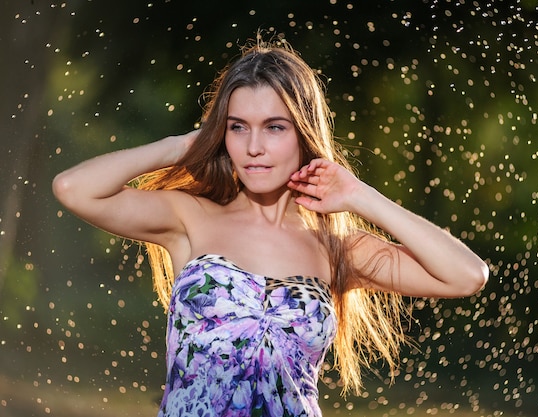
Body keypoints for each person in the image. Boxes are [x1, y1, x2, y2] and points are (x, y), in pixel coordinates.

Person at [52, 39, 488, 417]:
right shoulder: (190, 218)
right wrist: (183, 145)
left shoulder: (337, 249)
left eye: (274, 128)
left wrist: (361, 196)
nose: (254, 148)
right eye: (238, 128)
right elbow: (73, 188)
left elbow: (466, 275)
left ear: (302, 133)